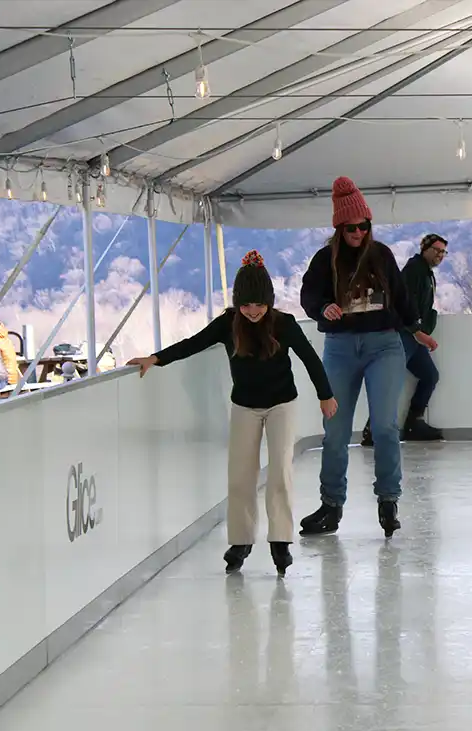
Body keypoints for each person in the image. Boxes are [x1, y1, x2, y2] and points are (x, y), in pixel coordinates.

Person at [127, 250, 337, 575]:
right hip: (244, 406)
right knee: (240, 475)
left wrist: (326, 396)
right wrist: (154, 358)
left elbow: (310, 359)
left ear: (269, 301)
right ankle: (241, 541)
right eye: (246, 305)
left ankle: (280, 541)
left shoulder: (284, 324)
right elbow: (192, 343)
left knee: (280, 472)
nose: (252, 311)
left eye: (259, 304)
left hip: (282, 404)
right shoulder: (228, 324)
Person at [298, 176, 431, 539]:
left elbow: (402, 299)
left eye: (364, 226)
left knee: (385, 425)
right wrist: (322, 308)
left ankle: (388, 500)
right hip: (340, 348)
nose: (359, 232)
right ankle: (331, 505)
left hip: (384, 346)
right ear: (339, 228)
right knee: (335, 430)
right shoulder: (325, 260)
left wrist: (416, 329)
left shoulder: (382, 255)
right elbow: (309, 296)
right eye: (352, 227)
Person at [360, 233, 446, 446]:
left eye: (443, 252)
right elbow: (404, 304)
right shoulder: (413, 271)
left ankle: (414, 423)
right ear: (424, 249)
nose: (440, 255)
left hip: (413, 337)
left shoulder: (425, 273)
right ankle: (373, 429)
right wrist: (417, 330)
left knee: (429, 376)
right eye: (436, 250)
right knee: (392, 381)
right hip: (404, 335)